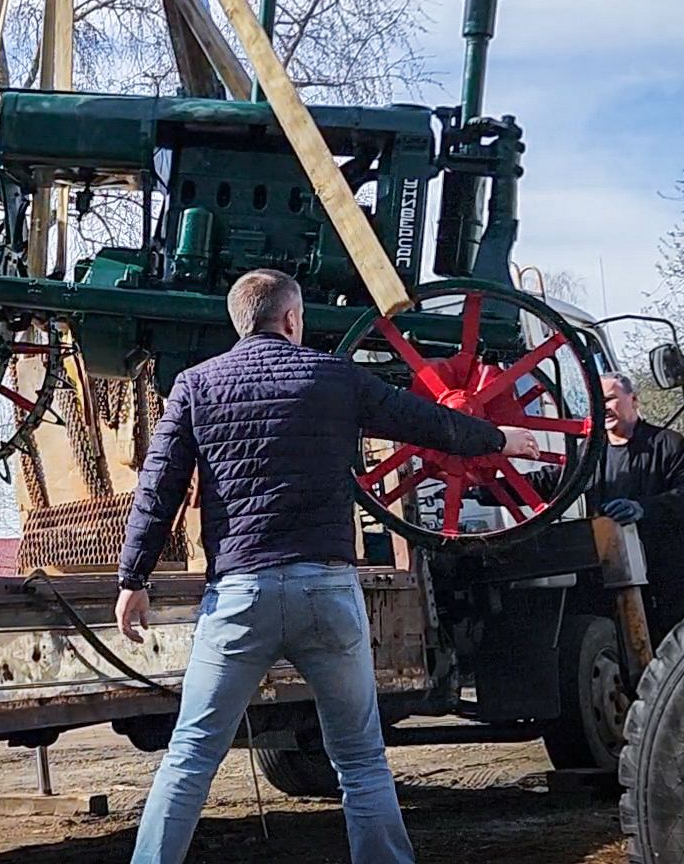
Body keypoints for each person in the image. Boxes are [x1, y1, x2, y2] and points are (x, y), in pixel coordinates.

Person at [115, 269, 539, 864]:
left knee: (190, 754)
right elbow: (429, 423)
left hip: (240, 594)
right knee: (361, 759)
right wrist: (497, 438)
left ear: (241, 322)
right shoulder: (335, 377)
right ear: (292, 320)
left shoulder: (194, 386)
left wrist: (133, 578)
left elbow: (158, 488)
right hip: (327, 592)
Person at [586, 370, 684, 638]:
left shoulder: (670, 445)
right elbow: (552, 482)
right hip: (610, 585)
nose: (603, 408)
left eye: (609, 399)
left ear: (634, 400)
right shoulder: (588, 456)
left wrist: (643, 509)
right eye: (596, 401)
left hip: (670, 586)